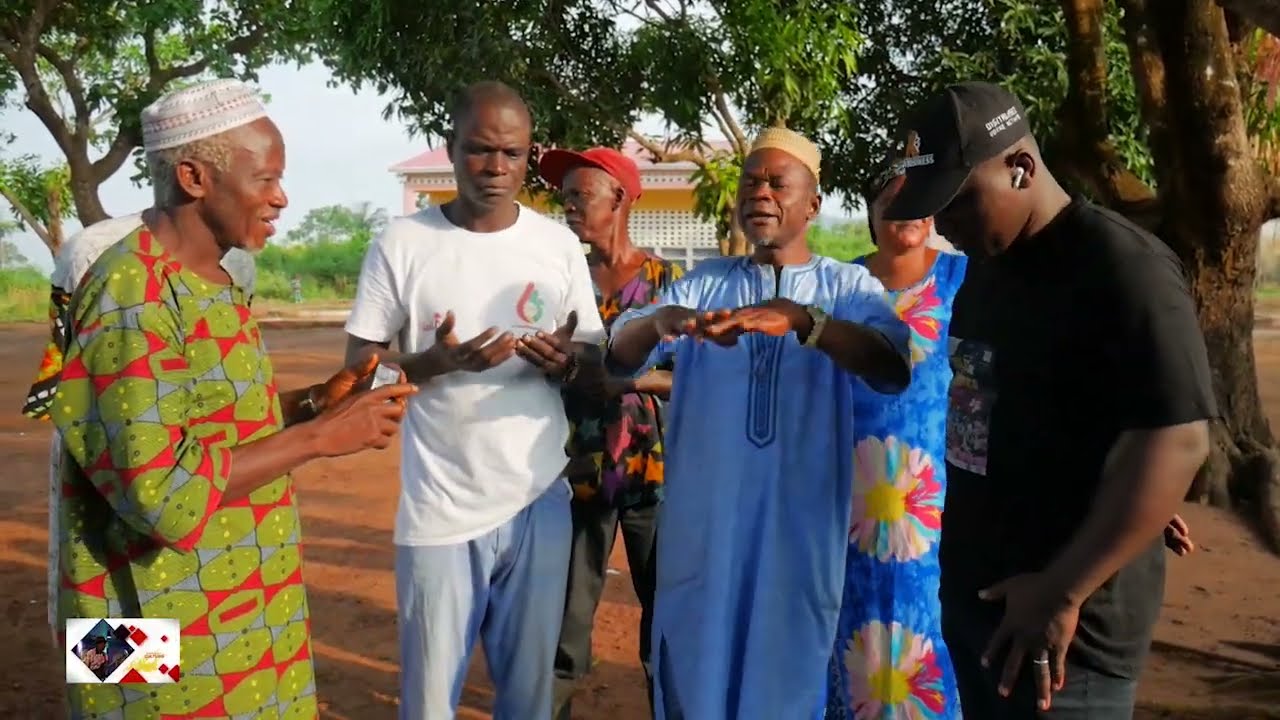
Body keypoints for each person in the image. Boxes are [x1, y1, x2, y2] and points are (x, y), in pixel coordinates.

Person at [52, 78, 417, 719]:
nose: (281, 198)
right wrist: (317, 440)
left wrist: (311, 404)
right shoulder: (131, 295)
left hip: (238, 611)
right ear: (194, 177)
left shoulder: (220, 279)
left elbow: (201, 426)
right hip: (143, 618)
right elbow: (162, 495)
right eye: (266, 179)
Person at [883, 81, 1216, 718]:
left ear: (1020, 168)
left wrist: (1063, 592)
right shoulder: (990, 265)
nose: (945, 226)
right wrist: (1127, 493)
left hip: (1063, 633)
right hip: (984, 603)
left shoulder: (1121, 265)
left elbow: (1179, 437)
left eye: (956, 203)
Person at [606, 127, 912, 720]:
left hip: (799, 535)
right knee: (698, 674)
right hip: (706, 532)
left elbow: (892, 365)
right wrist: (666, 319)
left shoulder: (845, 287)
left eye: (777, 181)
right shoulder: (706, 285)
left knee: (788, 679)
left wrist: (807, 323)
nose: (760, 193)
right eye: (750, 181)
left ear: (813, 203)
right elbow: (619, 354)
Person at [343, 81, 607, 720]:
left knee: (528, 699)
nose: (495, 168)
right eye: (479, 150)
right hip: (440, 508)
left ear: (528, 154)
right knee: (430, 702)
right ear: (450, 149)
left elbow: (594, 359)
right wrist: (434, 362)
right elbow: (355, 373)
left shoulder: (556, 246)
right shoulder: (403, 244)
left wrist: (568, 363)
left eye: (511, 154)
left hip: (539, 498)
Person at [23, 214, 259, 648]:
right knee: (119, 671)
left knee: (185, 649)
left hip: (202, 530)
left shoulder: (235, 264)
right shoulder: (105, 262)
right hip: (122, 472)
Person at [537, 146, 682, 719]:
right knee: (564, 627)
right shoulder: (556, 284)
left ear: (619, 199)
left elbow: (689, 377)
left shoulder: (666, 281)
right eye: (565, 195)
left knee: (667, 620)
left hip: (655, 478)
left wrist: (622, 380)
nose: (568, 205)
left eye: (580, 195)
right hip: (575, 480)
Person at [824, 158, 965, 719]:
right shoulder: (843, 285)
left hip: (936, 499)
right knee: (851, 630)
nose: (903, 213)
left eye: (915, 202)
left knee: (932, 632)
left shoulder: (964, 280)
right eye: (889, 201)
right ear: (871, 214)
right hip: (847, 500)